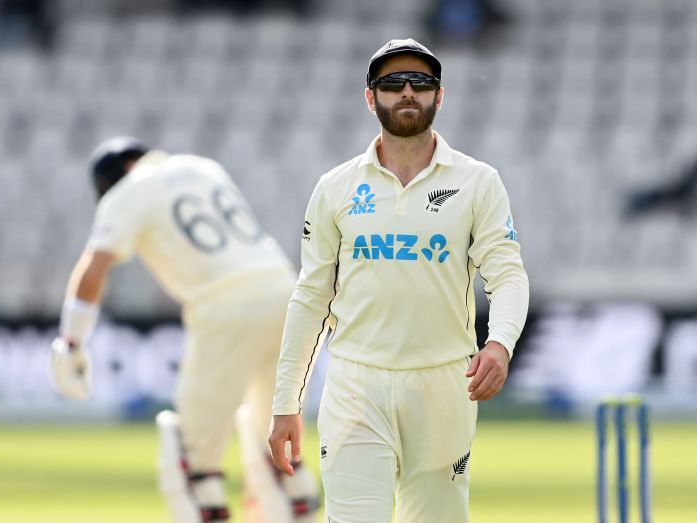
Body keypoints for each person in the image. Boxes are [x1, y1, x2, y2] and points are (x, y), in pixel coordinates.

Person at [268, 38, 529, 522]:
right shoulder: (337, 187)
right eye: (392, 83)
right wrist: (286, 404)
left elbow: (507, 273)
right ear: (371, 98)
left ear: (439, 96)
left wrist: (500, 343)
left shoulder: (477, 181)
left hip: (445, 383)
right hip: (355, 386)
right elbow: (310, 300)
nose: (407, 91)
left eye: (421, 83)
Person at [49, 137, 319, 523]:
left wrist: (71, 342)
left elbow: (94, 268)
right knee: (276, 445)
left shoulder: (126, 192)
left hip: (228, 306)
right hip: (288, 296)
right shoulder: (202, 166)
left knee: (191, 464)